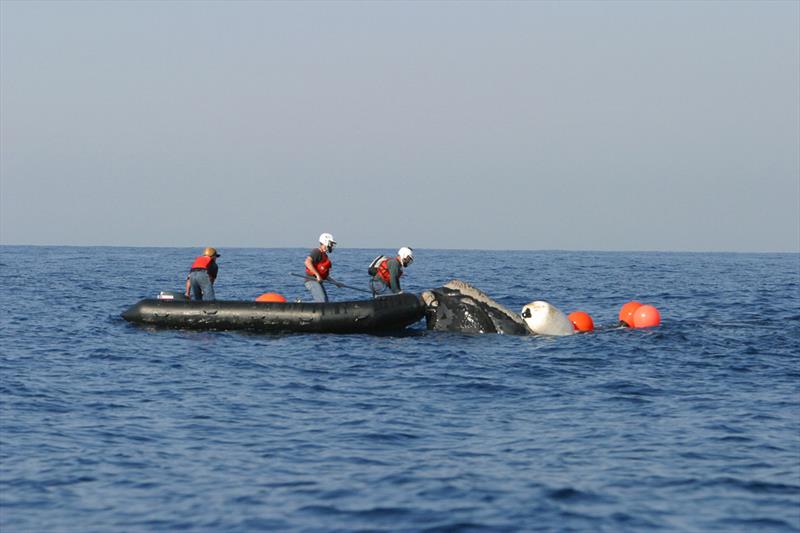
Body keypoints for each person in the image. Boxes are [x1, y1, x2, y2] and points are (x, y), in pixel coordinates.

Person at [304, 233, 336, 302]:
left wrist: (335, 283)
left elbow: (325, 275)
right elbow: (307, 262)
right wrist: (317, 275)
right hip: (311, 280)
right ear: (325, 242)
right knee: (322, 300)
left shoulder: (325, 256)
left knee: (325, 301)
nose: (332, 246)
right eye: (331, 243)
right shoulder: (316, 252)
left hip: (317, 281)